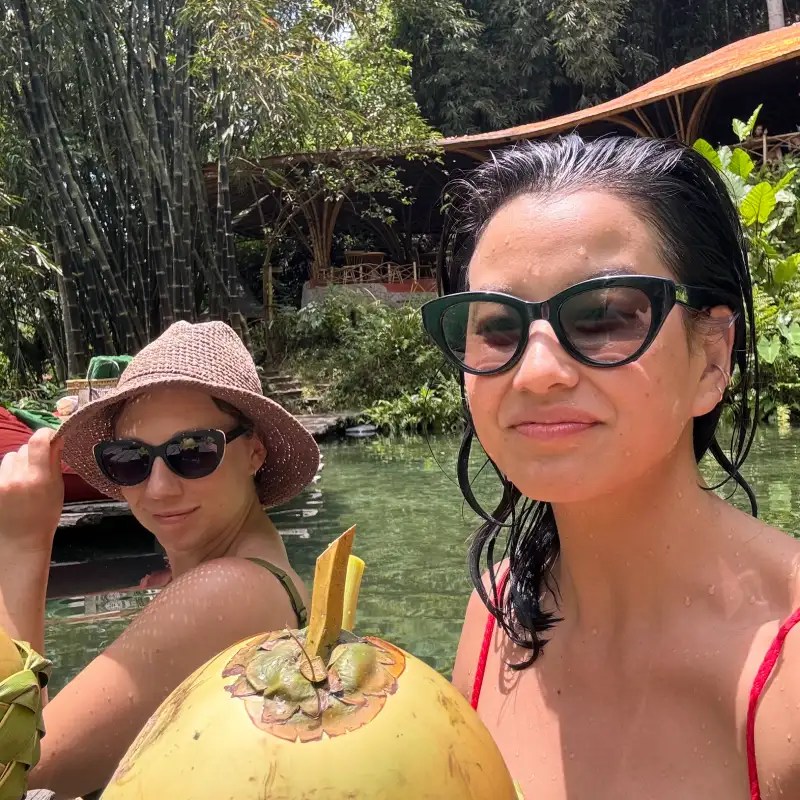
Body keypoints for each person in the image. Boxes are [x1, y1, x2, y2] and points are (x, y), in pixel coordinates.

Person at [421, 136, 800, 799]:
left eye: (602, 318)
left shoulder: (787, 675)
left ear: (712, 358)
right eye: (498, 329)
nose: (535, 373)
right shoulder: (498, 611)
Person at [0, 320, 320, 798]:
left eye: (193, 452)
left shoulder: (229, 591)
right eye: (130, 458)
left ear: (254, 453)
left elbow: (16, 771)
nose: (159, 487)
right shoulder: (262, 578)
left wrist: (21, 547)